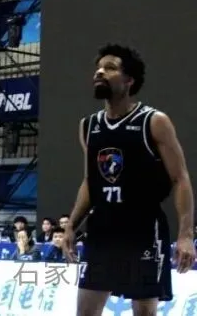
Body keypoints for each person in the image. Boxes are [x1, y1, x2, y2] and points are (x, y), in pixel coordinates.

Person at [64, 44, 195, 316]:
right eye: (98, 68)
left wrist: (185, 235)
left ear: (129, 80)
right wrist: (71, 226)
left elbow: (180, 178)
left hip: (143, 229)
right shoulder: (88, 126)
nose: (99, 72)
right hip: (102, 230)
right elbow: (90, 181)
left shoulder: (154, 121)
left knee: (144, 312)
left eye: (110, 68)